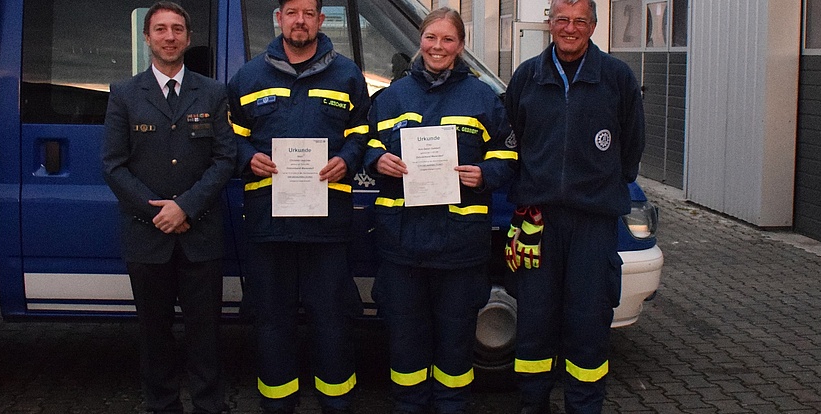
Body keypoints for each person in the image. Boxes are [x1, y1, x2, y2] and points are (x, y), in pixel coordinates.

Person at [363, 8, 517, 414]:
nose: (438, 47)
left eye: (448, 40)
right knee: (406, 345)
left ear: (460, 46)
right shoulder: (391, 96)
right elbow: (364, 142)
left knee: (455, 347)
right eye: (431, 38)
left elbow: (508, 153)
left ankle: (452, 406)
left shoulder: (484, 98)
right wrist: (377, 159)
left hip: (459, 248)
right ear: (420, 40)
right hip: (402, 246)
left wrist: (484, 172)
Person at [225, 0, 370, 412]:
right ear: (279, 18)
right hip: (269, 223)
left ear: (322, 20)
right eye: (292, 13)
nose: (300, 21)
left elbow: (361, 130)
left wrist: (348, 157)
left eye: (308, 13)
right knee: (271, 322)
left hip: (327, 225)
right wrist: (246, 157)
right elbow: (231, 135)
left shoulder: (347, 74)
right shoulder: (249, 76)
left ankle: (337, 404)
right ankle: (278, 404)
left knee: (333, 320)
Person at [503, 0, 646, 413]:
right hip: (537, 222)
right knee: (534, 326)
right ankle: (533, 406)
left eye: (580, 21)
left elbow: (631, 149)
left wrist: (595, 189)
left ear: (594, 26)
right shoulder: (528, 76)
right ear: (549, 23)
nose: (570, 28)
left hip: (593, 225)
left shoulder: (617, 78)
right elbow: (513, 138)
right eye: (562, 19)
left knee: (588, 326)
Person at [101, 2, 236, 413]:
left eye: (177, 29)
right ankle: (161, 405)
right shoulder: (124, 94)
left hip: (201, 234)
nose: (169, 36)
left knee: (205, 334)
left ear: (188, 38)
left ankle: (209, 405)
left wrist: (186, 208)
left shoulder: (212, 92)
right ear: (147, 38)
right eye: (160, 29)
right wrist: (159, 211)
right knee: (154, 333)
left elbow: (224, 159)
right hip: (148, 235)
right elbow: (113, 165)